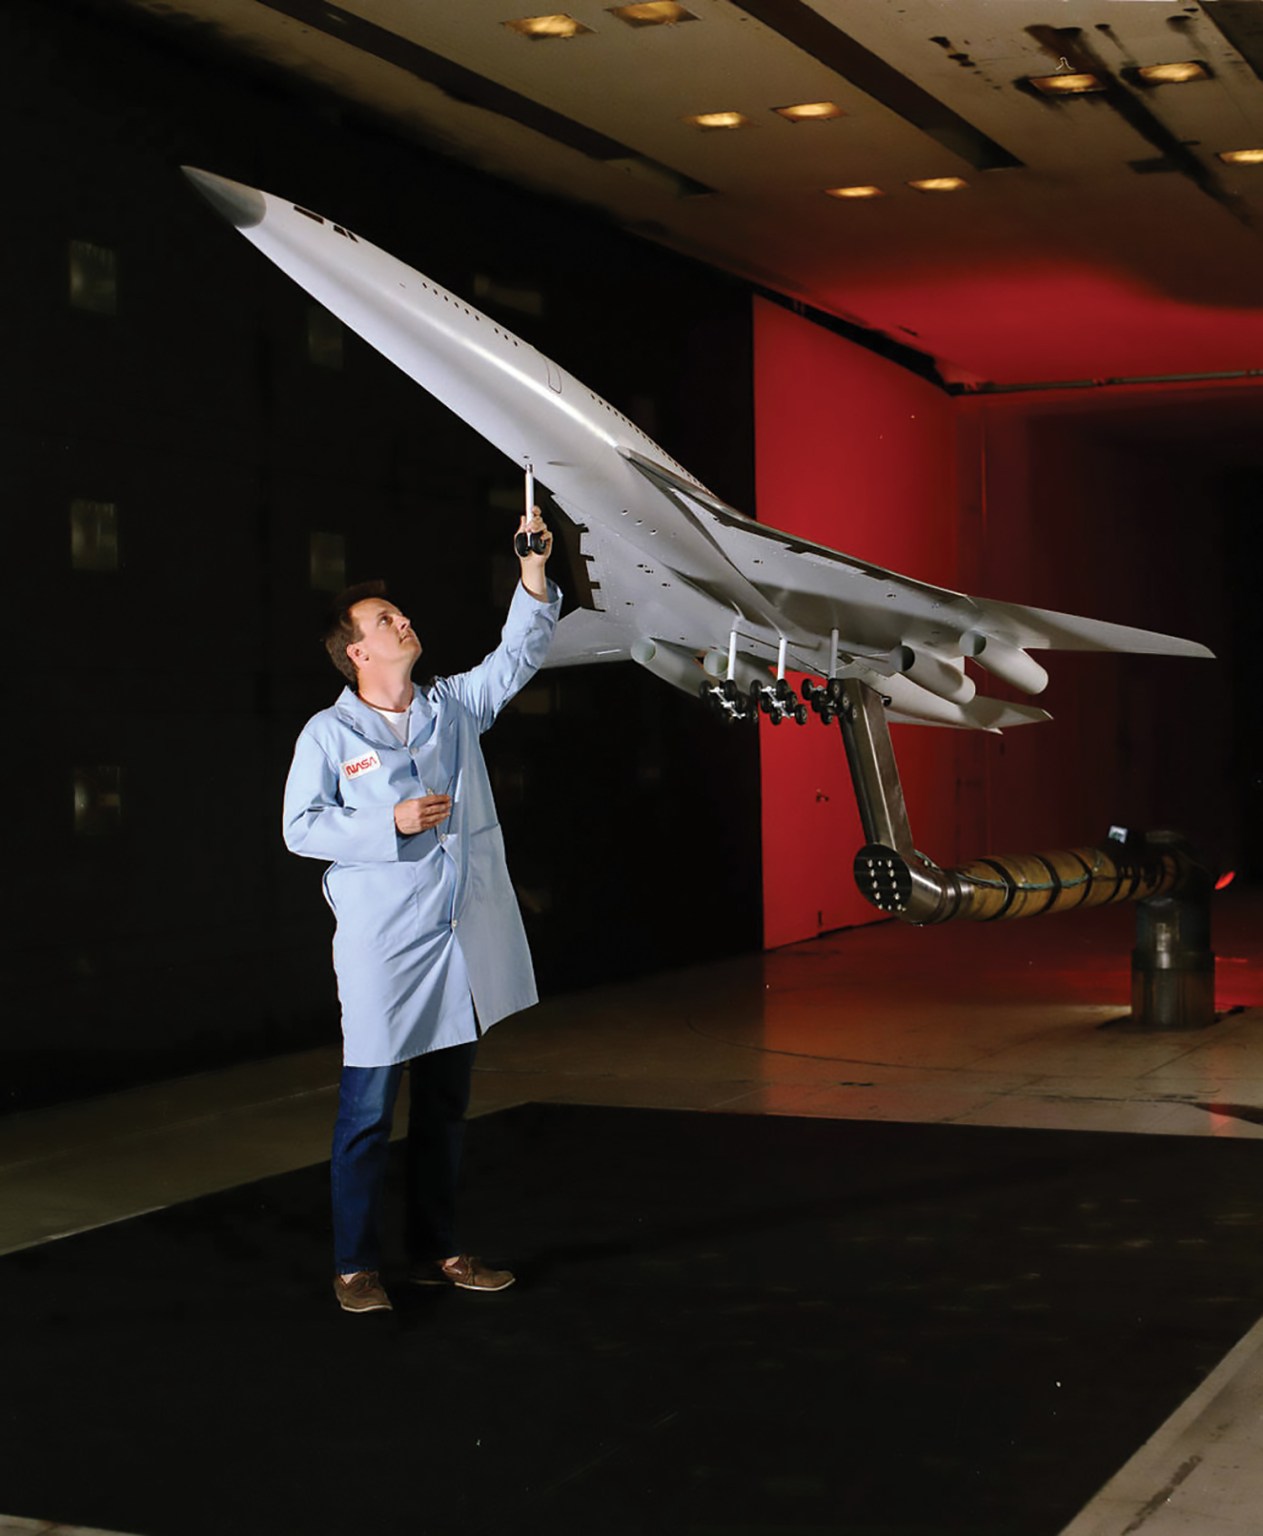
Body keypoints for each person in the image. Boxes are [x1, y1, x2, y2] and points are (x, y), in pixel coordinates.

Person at [283, 507, 559, 1314]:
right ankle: (353, 1265)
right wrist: (387, 822)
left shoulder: (452, 707)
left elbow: (518, 655)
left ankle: (439, 1248)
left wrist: (532, 570)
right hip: (384, 944)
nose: (402, 621)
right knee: (368, 1109)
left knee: (445, 1105)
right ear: (357, 652)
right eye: (383, 620)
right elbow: (299, 827)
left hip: (455, 938)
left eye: (399, 613)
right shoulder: (328, 735)